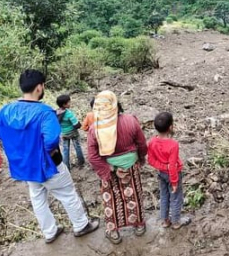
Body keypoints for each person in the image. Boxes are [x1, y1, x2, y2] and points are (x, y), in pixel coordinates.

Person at [0, 69, 99, 244]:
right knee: (67, 194)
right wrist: (38, 147)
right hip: (48, 163)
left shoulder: (6, 110)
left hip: (24, 165)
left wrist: (16, 142)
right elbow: (51, 141)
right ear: (39, 87)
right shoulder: (45, 112)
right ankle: (81, 225)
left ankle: (50, 232)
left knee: (37, 197)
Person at [87, 91, 148, 244]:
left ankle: (113, 232)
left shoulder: (94, 129)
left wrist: (111, 169)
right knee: (134, 194)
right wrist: (140, 159)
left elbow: (93, 157)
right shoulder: (131, 120)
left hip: (108, 169)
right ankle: (139, 225)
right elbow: (142, 144)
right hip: (131, 166)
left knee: (111, 200)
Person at [148, 111, 190, 229]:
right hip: (173, 175)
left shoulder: (152, 142)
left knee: (164, 196)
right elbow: (172, 166)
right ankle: (176, 222)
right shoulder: (173, 144)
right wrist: (175, 181)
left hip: (161, 175)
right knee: (176, 197)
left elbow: (151, 161)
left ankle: (165, 221)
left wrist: (162, 167)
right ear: (171, 127)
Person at [56, 94, 85, 170]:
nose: (70, 103)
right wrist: (80, 124)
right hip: (73, 133)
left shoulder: (56, 113)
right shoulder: (68, 113)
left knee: (65, 150)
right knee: (77, 147)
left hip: (64, 134)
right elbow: (76, 125)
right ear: (64, 104)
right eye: (69, 102)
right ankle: (81, 162)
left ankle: (67, 166)